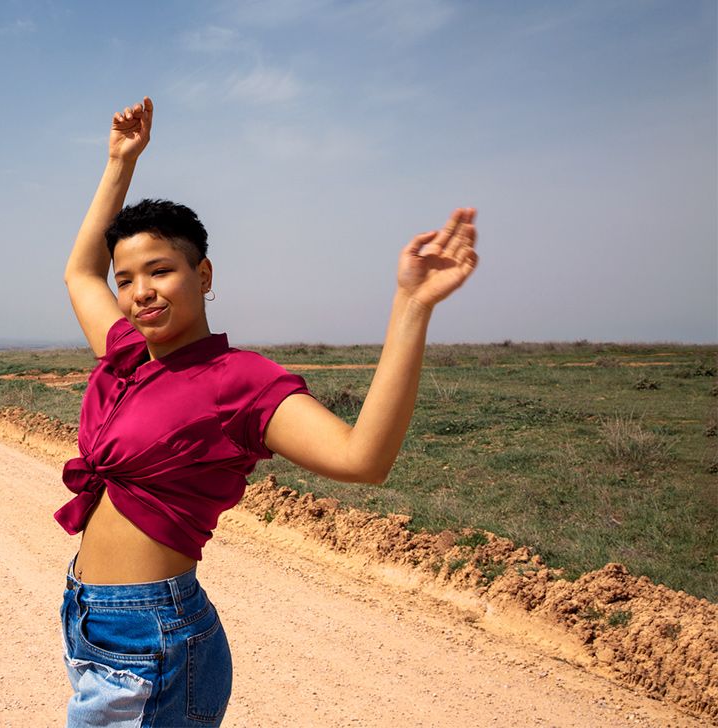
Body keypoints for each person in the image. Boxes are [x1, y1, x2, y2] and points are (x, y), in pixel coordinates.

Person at [56, 95, 479, 727]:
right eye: (127, 279)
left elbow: (362, 459)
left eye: (160, 271)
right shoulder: (128, 355)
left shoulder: (240, 381)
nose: (139, 291)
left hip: (153, 641)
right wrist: (120, 162)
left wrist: (411, 306)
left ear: (203, 275)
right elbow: (79, 273)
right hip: (91, 620)